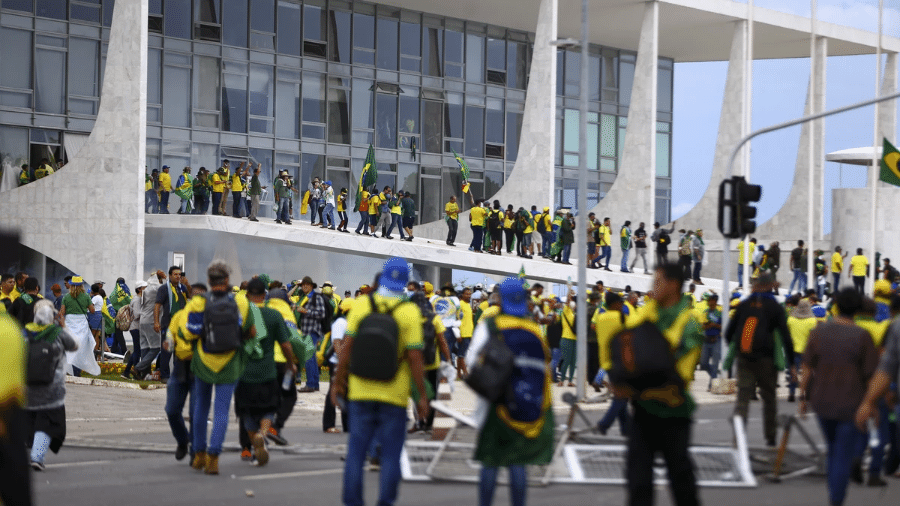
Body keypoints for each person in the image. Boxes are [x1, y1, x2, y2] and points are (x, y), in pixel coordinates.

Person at [332, 257, 428, 506]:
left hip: (361, 390)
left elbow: (347, 348)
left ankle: (353, 502)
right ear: (406, 282)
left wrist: (337, 382)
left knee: (355, 453)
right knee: (391, 456)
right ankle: (386, 502)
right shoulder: (409, 312)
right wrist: (422, 397)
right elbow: (416, 358)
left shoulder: (363, 304)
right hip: (394, 395)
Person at [612, 263, 702, 506]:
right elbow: (627, 346)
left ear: (673, 284)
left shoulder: (689, 321)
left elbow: (680, 373)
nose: (653, 286)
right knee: (638, 481)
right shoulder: (648, 311)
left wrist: (638, 379)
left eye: (658, 281)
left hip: (673, 411)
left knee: (681, 481)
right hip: (643, 410)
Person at [466, 277, 554, 506]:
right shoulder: (534, 329)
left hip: (496, 402)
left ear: (500, 299)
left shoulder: (491, 326)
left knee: (491, 460)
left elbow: (471, 360)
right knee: (517, 463)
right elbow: (543, 369)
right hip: (525, 405)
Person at [800, 289, 878, 506]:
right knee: (841, 453)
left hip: (822, 401)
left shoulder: (819, 332)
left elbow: (806, 367)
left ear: (836, 306)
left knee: (833, 449)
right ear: (858, 308)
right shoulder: (862, 336)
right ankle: (836, 499)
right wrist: (871, 405)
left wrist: (802, 397)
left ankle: (834, 493)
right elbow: (871, 375)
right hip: (850, 403)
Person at [181, 261, 255, 475]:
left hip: (204, 361)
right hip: (230, 362)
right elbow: (252, 330)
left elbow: (190, 332)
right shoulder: (241, 301)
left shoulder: (198, 302)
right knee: (222, 410)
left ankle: (199, 454)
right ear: (227, 280)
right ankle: (214, 457)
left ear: (209, 281)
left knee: (201, 408)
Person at [725, 273, 794, 447]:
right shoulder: (774, 307)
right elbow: (786, 337)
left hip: (745, 359)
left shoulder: (744, 305)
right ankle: (770, 437)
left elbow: (728, 333)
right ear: (771, 286)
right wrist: (791, 364)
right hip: (767, 360)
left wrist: (739, 352)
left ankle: (737, 439)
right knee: (769, 398)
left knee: (743, 399)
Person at [237, 279, 297, 466]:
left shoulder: (241, 316)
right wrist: (291, 363)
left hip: (244, 374)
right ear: (265, 295)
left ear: (247, 295)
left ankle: (253, 441)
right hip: (268, 373)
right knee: (269, 409)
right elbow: (286, 345)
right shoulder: (273, 315)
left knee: (247, 413)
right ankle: (262, 435)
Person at [24, 300, 78, 471]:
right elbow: (74, 345)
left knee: (31, 420)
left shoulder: (26, 332)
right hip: (52, 389)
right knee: (46, 423)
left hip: (28, 386)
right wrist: (63, 326)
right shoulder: (57, 333)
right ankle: (37, 457)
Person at [162, 282, 206, 461]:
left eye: (202, 296)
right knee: (172, 409)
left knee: (196, 413)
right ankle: (182, 440)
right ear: (188, 297)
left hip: (201, 369)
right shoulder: (180, 315)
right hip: (180, 367)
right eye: (194, 296)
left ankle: (196, 450)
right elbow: (170, 336)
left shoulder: (210, 317)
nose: (198, 300)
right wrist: (168, 343)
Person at [594, 292, 630, 435]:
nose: (622, 305)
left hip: (606, 361)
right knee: (621, 397)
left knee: (621, 395)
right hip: (620, 362)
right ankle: (604, 424)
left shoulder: (600, 318)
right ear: (614, 304)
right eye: (620, 303)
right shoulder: (622, 318)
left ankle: (626, 429)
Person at [152, 266, 190, 382]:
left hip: (181, 326)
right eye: (175, 274)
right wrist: (156, 321)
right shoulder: (164, 289)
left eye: (180, 274)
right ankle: (165, 376)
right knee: (167, 351)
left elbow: (192, 296)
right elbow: (157, 306)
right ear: (170, 276)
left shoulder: (183, 288)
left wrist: (187, 284)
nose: (178, 276)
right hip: (168, 324)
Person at [58, 276, 100, 377]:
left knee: (70, 347)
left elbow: (62, 312)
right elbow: (92, 310)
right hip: (82, 323)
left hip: (69, 323)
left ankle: (70, 369)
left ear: (71, 285)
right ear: (81, 285)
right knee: (80, 348)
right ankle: (77, 371)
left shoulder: (66, 297)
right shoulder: (86, 296)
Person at [295, 276, 327, 393]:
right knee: (311, 358)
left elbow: (321, 313)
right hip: (308, 331)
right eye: (303, 285)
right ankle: (314, 384)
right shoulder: (306, 298)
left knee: (308, 358)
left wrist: (306, 311)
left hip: (312, 331)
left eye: (307, 285)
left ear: (311, 286)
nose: (304, 286)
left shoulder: (315, 297)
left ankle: (310, 384)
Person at [786, 299, 817, 402]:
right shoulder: (812, 321)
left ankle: (791, 393)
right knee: (807, 373)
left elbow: (787, 334)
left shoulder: (791, 319)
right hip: (807, 351)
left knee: (793, 372)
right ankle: (806, 393)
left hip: (793, 350)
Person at [135, 271, 163, 380]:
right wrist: (164, 276)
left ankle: (143, 374)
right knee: (156, 347)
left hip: (143, 320)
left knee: (145, 347)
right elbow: (169, 287)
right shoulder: (156, 289)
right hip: (152, 320)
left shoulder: (146, 289)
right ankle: (138, 368)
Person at [121, 281, 146, 380]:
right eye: (145, 287)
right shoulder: (137, 300)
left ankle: (126, 372)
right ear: (139, 289)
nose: (146, 289)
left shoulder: (139, 299)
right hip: (136, 327)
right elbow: (136, 315)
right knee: (137, 351)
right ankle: (136, 373)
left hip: (136, 328)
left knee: (137, 351)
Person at [699, 293, 722, 391]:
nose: (708, 302)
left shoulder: (720, 313)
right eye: (708, 300)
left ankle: (711, 385)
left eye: (710, 300)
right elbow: (702, 326)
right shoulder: (705, 312)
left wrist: (715, 325)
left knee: (715, 363)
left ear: (714, 301)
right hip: (706, 339)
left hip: (716, 340)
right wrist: (708, 325)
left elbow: (724, 326)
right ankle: (715, 374)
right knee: (703, 363)